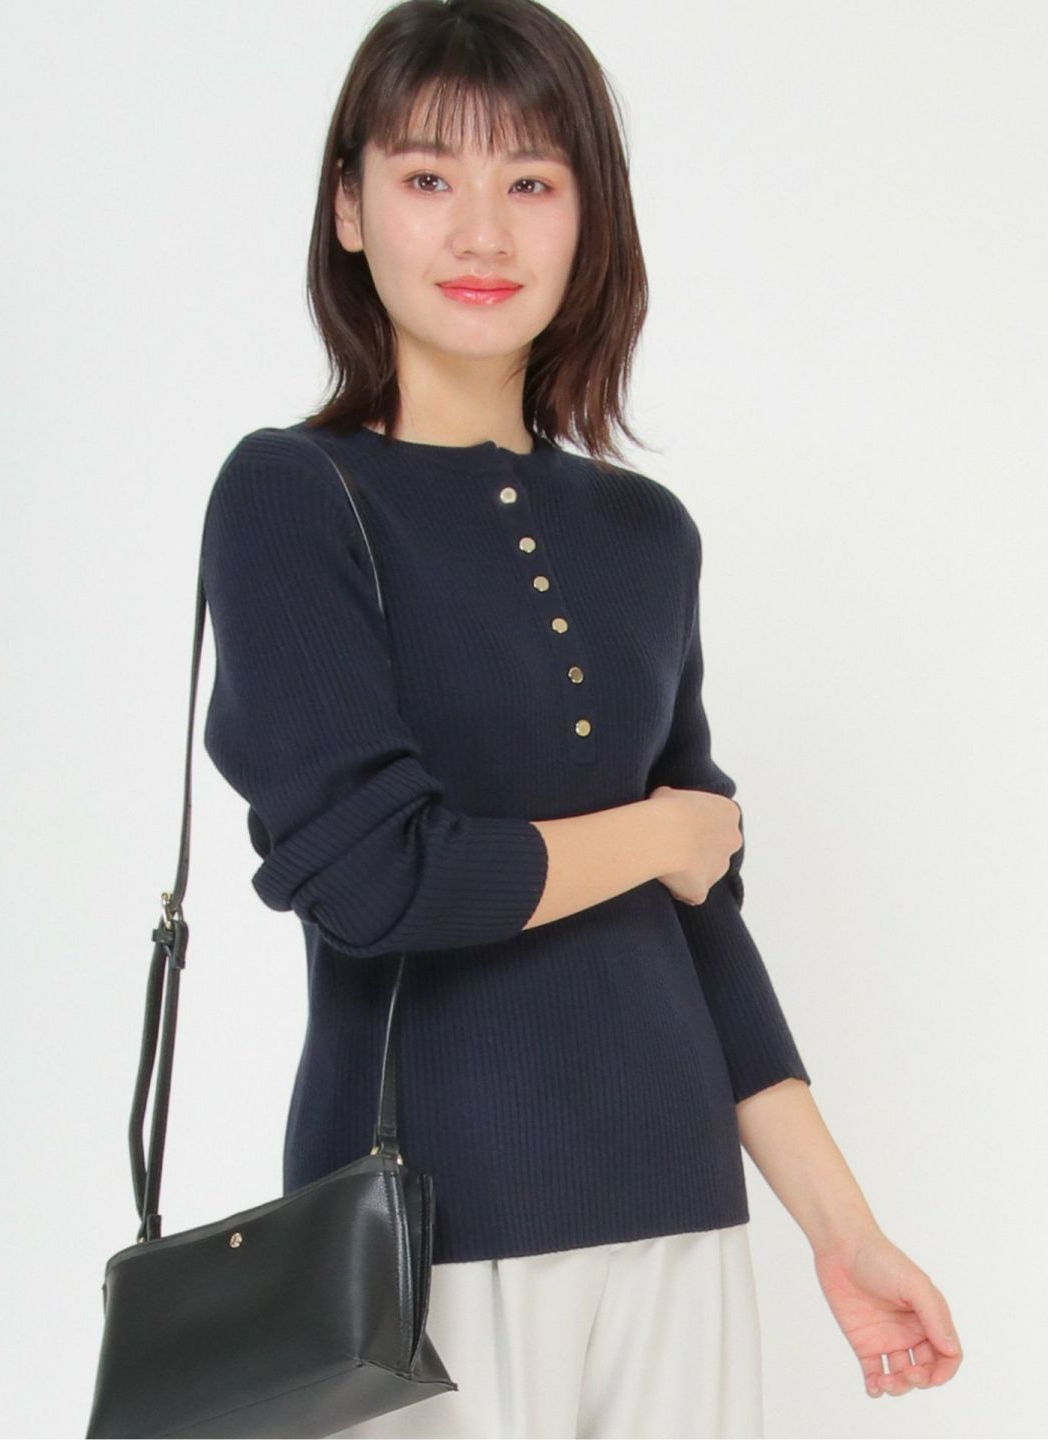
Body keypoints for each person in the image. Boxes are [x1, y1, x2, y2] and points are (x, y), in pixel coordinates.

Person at [198, 1, 964, 1435]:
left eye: (532, 181)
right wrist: (659, 833)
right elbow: (379, 880)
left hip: (680, 1213)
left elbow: (705, 926)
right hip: (424, 1237)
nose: (482, 230)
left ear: (589, 217)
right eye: (429, 176)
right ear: (349, 208)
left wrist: (843, 1233)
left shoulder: (644, 533)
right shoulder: (293, 498)